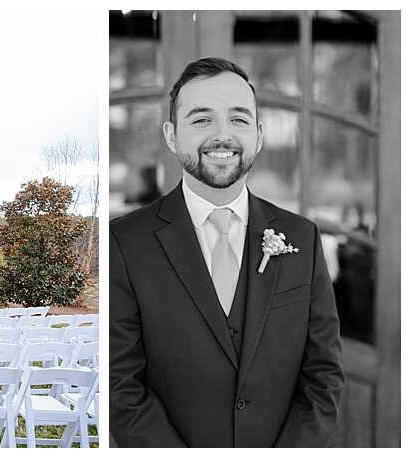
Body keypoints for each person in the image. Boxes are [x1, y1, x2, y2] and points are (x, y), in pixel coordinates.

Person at [109, 57, 345, 447]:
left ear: (259, 133)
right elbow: (122, 386)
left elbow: (324, 376)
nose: (223, 136)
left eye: (238, 119)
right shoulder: (126, 241)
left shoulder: (302, 237)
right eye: (202, 119)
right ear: (171, 135)